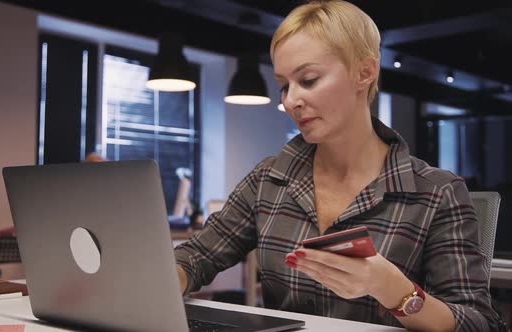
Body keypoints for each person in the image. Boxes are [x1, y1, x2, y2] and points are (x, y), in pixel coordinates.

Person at [173, 1, 505, 331]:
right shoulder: (268, 179)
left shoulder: (436, 192)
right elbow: (198, 255)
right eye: (284, 86)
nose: (290, 101)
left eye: (309, 79)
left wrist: (396, 292)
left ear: (365, 72)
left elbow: (480, 323)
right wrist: (168, 277)